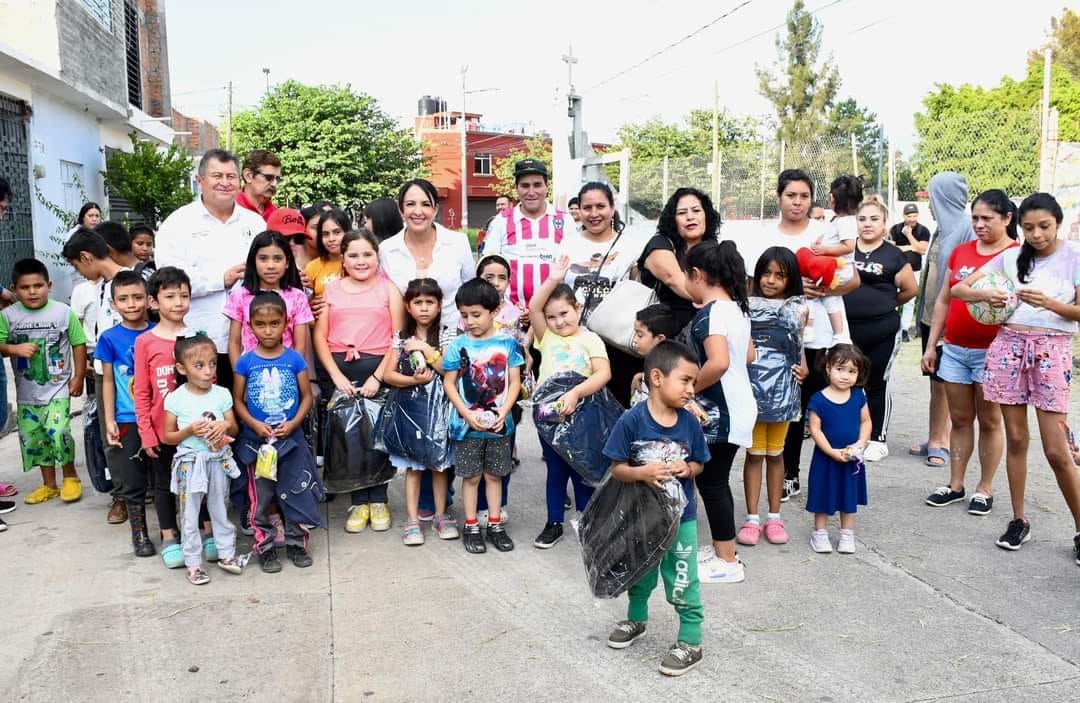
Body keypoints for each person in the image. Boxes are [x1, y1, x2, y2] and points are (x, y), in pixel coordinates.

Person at [951, 193, 1080, 564]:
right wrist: (985, 293)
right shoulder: (1011, 257)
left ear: (1058, 223)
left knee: (1056, 450)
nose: (1036, 234)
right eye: (1028, 228)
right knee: (1017, 439)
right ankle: (1018, 519)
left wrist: (1051, 304)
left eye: (1044, 226)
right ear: (1018, 226)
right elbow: (959, 289)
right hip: (1008, 346)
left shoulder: (1072, 256)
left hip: (1052, 350)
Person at [737, 170, 860, 503]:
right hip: (775, 342)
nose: (797, 202)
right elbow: (751, 285)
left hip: (819, 338)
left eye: (804, 196)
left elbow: (853, 280)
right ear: (779, 197)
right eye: (791, 195)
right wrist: (792, 288)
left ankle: (825, 473)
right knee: (782, 407)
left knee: (814, 408)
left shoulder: (825, 233)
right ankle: (789, 473)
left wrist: (823, 287)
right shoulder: (761, 236)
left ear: (812, 199)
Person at [602, 341, 708, 678]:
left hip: (682, 518)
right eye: (686, 380)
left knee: (682, 577)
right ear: (658, 378)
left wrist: (687, 469)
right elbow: (617, 468)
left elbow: (700, 463)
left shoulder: (689, 423)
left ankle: (691, 641)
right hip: (642, 515)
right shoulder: (632, 420)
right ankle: (636, 619)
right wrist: (642, 473)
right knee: (641, 569)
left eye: (694, 382)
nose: (692, 390)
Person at [921, 190, 1018, 515]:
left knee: (990, 421)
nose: (978, 224)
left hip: (995, 353)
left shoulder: (1017, 256)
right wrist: (933, 343)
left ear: (1007, 219)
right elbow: (945, 300)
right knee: (960, 418)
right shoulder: (961, 252)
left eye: (987, 218)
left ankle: (985, 488)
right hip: (956, 349)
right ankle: (956, 484)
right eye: (975, 217)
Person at [313, 230, 403, 532]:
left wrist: (379, 376)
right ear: (343, 258)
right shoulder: (331, 290)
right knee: (349, 438)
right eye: (353, 255)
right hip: (343, 376)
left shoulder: (388, 290)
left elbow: (398, 339)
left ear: (377, 256)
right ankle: (357, 501)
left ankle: (379, 499)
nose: (361, 261)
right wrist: (336, 377)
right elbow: (320, 337)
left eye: (367, 254)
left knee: (378, 438)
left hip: (379, 372)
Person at [156, 148, 265, 390]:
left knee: (244, 414)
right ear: (200, 180)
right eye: (217, 176)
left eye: (231, 176)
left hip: (250, 341)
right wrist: (221, 279)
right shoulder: (178, 224)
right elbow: (169, 282)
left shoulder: (255, 223)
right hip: (197, 340)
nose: (225, 183)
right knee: (203, 417)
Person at [232, 291, 322, 573]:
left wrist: (294, 423)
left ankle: (296, 543)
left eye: (275, 323)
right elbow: (238, 400)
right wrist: (254, 424)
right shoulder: (245, 361)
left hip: (290, 441)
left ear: (286, 324)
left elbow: (307, 397)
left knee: (295, 491)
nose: (268, 330)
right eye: (261, 324)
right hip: (257, 444)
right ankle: (266, 548)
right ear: (250, 325)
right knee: (261, 498)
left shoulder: (295, 359)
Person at [683, 240, 755, 584]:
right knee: (716, 481)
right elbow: (749, 356)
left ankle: (727, 561)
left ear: (696, 275)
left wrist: (687, 387)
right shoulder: (737, 309)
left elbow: (720, 362)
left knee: (712, 483)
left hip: (721, 411)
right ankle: (723, 548)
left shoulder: (710, 314)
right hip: (739, 405)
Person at [528, 255, 612, 549]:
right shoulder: (546, 337)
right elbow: (533, 307)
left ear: (578, 308)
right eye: (552, 317)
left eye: (564, 313)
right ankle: (553, 524)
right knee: (556, 470)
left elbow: (604, 372)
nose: (559, 321)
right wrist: (554, 277)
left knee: (582, 470)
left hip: (582, 414)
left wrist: (576, 393)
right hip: (549, 415)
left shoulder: (591, 340)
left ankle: (586, 521)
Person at [134, 267, 212, 569]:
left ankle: (207, 531)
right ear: (153, 302)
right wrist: (147, 434)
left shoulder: (198, 337)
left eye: (184, 295)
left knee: (200, 482)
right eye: (170, 296)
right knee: (165, 485)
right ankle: (169, 534)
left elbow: (211, 382)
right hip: (163, 431)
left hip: (197, 431)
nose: (178, 302)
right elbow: (142, 391)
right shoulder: (146, 342)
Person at [442, 278, 524, 554]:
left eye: (476, 314)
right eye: (464, 315)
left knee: (495, 476)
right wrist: (465, 413)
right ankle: (471, 524)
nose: (470, 321)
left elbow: (515, 382)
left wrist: (504, 411)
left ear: (494, 311)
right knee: (471, 477)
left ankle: (495, 524)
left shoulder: (508, 344)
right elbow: (449, 383)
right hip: (468, 427)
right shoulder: (458, 345)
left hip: (501, 426)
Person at [0, 257, 87, 509]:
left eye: (37, 286)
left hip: (58, 389)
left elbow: (78, 342)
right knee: (35, 439)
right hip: (27, 393)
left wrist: (79, 376)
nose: (32, 292)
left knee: (58, 433)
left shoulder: (62, 312)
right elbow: (1, 345)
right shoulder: (7, 316)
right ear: (14, 289)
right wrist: (14, 348)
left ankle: (70, 477)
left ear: (48, 285)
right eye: (25, 288)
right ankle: (49, 485)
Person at [738, 247, 807, 548]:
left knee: (776, 454)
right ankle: (752, 518)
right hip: (752, 391)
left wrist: (803, 366)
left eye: (780, 275)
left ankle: (774, 516)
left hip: (783, 391)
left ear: (790, 279)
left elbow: (800, 344)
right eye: (766, 273)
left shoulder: (798, 307)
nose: (770, 281)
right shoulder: (744, 307)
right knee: (753, 454)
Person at [163, 333, 245, 585]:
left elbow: (234, 428)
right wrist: (189, 431)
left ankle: (227, 554)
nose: (208, 371)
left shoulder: (221, 394)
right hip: (190, 464)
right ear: (181, 368)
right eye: (199, 366)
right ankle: (193, 563)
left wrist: (223, 426)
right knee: (190, 513)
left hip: (217, 460)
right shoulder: (176, 397)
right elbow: (168, 437)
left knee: (220, 507)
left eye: (212, 364)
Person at [382, 278, 458, 545]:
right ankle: (412, 520)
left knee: (439, 466)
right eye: (418, 302)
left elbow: (450, 371)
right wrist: (414, 381)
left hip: (439, 413)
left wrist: (425, 349)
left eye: (430, 302)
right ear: (408, 305)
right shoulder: (400, 337)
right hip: (410, 411)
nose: (424, 308)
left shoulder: (448, 334)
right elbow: (389, 375)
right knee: (413, 468)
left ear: (439, 306)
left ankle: (440, 515)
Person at [63, 229, 131, 523]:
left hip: (129, 373)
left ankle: (137, 493)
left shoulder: (131, 282)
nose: (80, 272)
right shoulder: (101, 287)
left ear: (86, 257)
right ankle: (122, 495)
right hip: (104, 372)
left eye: (77, 266)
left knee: (134, 434)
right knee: (110, 434)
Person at [842, 199, 918, 462]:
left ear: (884, 224)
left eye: (874, 219)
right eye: (863, 219)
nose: (868, 224)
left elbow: (910, 290)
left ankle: (877, 438)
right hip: (847, 330)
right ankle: (852, 434)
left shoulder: (893, 255)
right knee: (846, 382)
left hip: (882, 330)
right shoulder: (846, 250)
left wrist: (886, 305)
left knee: (877, 383)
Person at [912, 173, 974, 467]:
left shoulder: (966, 228)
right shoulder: (940, 229)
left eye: (934, 196)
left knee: (946, 382)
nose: (931, 203)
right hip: (930, 317)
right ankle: (934, 436)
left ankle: (943, 441)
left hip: (951, 320)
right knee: (935, 381)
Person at [562, 182, 643, 407]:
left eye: (601, 206)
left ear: (612, 207)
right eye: (587, 207)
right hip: (575, 343)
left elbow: (640, 291)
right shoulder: (567, 244)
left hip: (617, 345)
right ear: (579, 209)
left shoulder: (632, 247)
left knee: (617, 410)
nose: (594, 213)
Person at [97, 271, 155, 556]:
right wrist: (109, 419)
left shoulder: (159, 330)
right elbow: (107, 381)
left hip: (158, 417)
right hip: (127, 417)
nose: (131, 304)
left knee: (164, 477)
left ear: (148, 299)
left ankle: (173, 530)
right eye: (123, 299)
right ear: (113, 304)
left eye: (137, 297)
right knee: (132, 477)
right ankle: (140, 533)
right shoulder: (109, 338)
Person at [381, 179, 474, 332]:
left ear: (435, 210)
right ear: (401, 210)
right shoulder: (387, 249)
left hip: (454, 338)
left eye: (425, 204)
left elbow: (471, 291)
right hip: (407, 340)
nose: (418, 212)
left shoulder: (458, 243)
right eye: (410, 204)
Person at [806, 344, 872, 554]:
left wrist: (861, 443)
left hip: (851, 457)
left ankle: (847, 534)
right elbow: (815, 430)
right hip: (827, 457)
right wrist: (831, 451)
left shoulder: (858, 396)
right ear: (828, 368)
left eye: (852, 371)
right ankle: (820, 533)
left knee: (848, 495)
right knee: (823, 494)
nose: (846, 376)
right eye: (840, 369)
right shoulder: (818, 399)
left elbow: (866, 421)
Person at [484, 160, 568, 306]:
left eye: (537, 185)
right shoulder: (500, 222)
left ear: (546, 186)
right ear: (516, 188)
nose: (531, 192)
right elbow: (489, 269)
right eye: (524, 186)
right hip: (511, 316)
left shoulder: (565, 221)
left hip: (554, 317)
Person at [225, 230, 314, 366]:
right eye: (263, 259)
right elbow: (234, 343)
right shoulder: (239, 295)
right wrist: (240, 375)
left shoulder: (297, 297)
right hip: (250, 371)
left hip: (287, 371)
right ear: (253, 261)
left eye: (277, 259)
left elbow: (300, 345)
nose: (271, 266)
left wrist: (291, 372)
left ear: (287, 262)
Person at [640, 187, 721, 333]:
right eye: (682, 213)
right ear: (673, 219)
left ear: (706, 215)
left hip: (707, 331)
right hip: (664, 337)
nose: (690, 217)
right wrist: (715, 301)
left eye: (696, 211)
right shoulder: (660, 244)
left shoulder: (715, 248)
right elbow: (674, 279)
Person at [802, 176, 861, 343]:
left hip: (839, 270)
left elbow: (849, 246)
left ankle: (809, 327)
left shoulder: (845, 223)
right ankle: (838, 333)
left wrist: (825, 250)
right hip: (839, 270)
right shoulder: (840, 222)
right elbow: (831, 237)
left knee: (811, 290)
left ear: (833, 199)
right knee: (830, 299)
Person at [890, 203, 931, 335]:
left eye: (914, 215)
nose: (912, 219)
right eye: (909, 216)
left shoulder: (923, 230)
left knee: (910, 299)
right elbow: (891, 249)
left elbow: (923, 249)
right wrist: (912, 247)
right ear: (904, 216)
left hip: (915, 270)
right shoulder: (895, 229)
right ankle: (893, 326)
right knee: (893, 297)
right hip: (897, 270)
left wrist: (909, 236)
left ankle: (905, 329)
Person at [628, 303, 681, 403]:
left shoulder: (668, 371)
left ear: (660, 339)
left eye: (640, 335)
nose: (635, 340)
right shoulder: (654, 362)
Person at [306, 208, 350, 318]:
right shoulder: (313, 267)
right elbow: (305, 304)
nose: (331, 239)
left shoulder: (358, 264)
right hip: (322, 327)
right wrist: (310, 306)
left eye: (337, 232)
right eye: (325, 234)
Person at [236, 149, 281, 222]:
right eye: (268, 177)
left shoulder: (277, 217)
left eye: (278, 179)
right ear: (248, 176)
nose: (274, 183)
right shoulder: (229, 210)